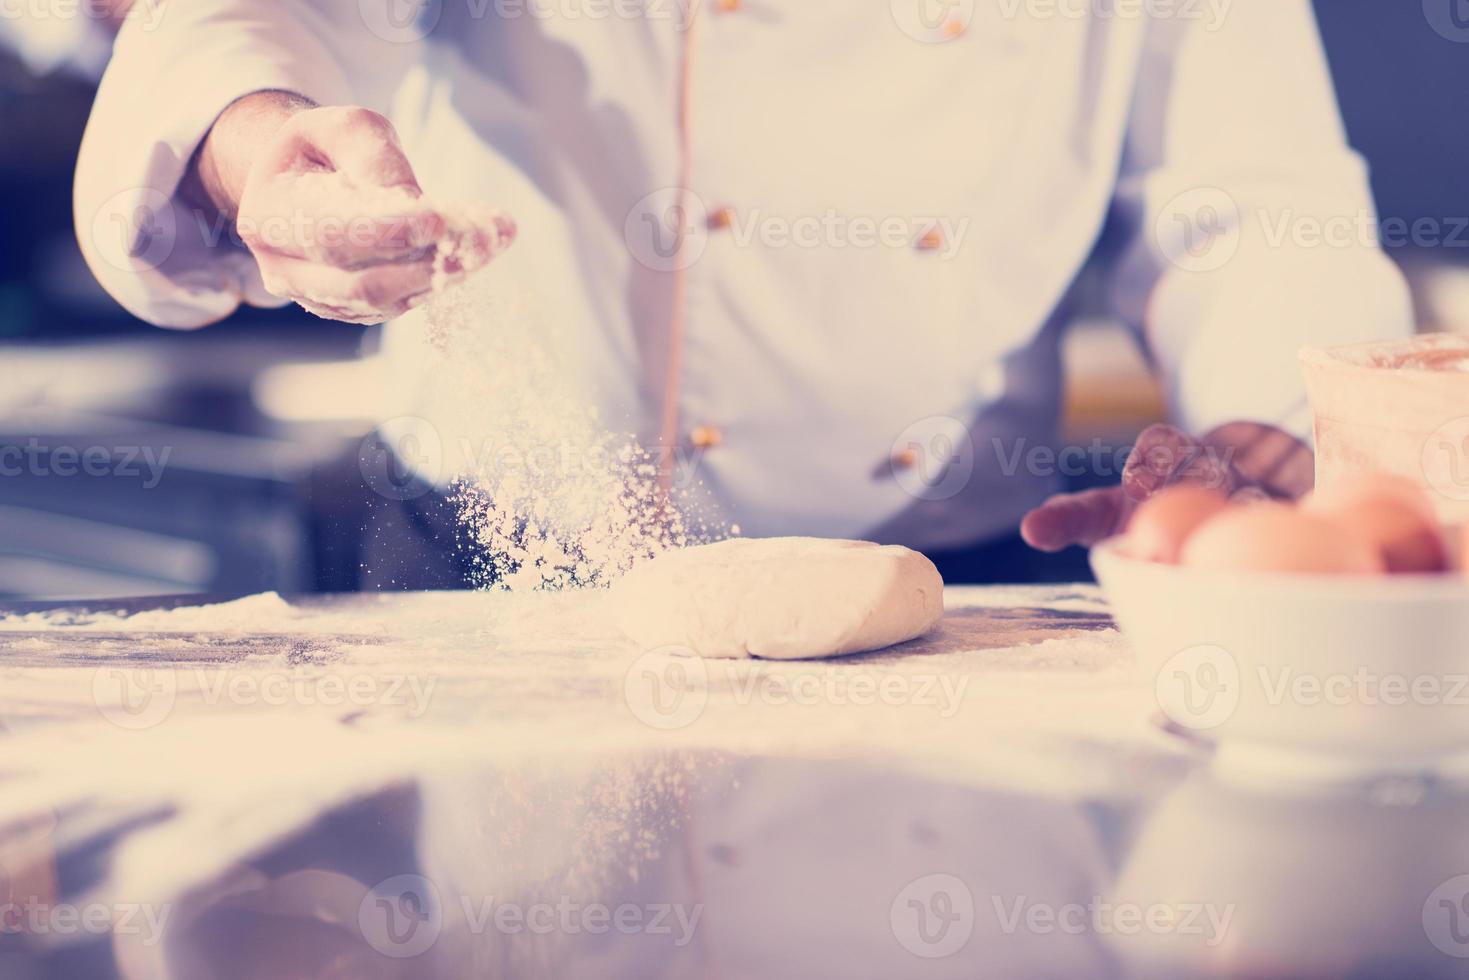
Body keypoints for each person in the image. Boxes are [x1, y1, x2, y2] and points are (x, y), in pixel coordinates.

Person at [73, 0, 1412, 586]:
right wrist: (258, 142)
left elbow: (1244, 195)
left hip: (957, 581)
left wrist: (1267, 431)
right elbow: (256, 13)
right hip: (497, 562)